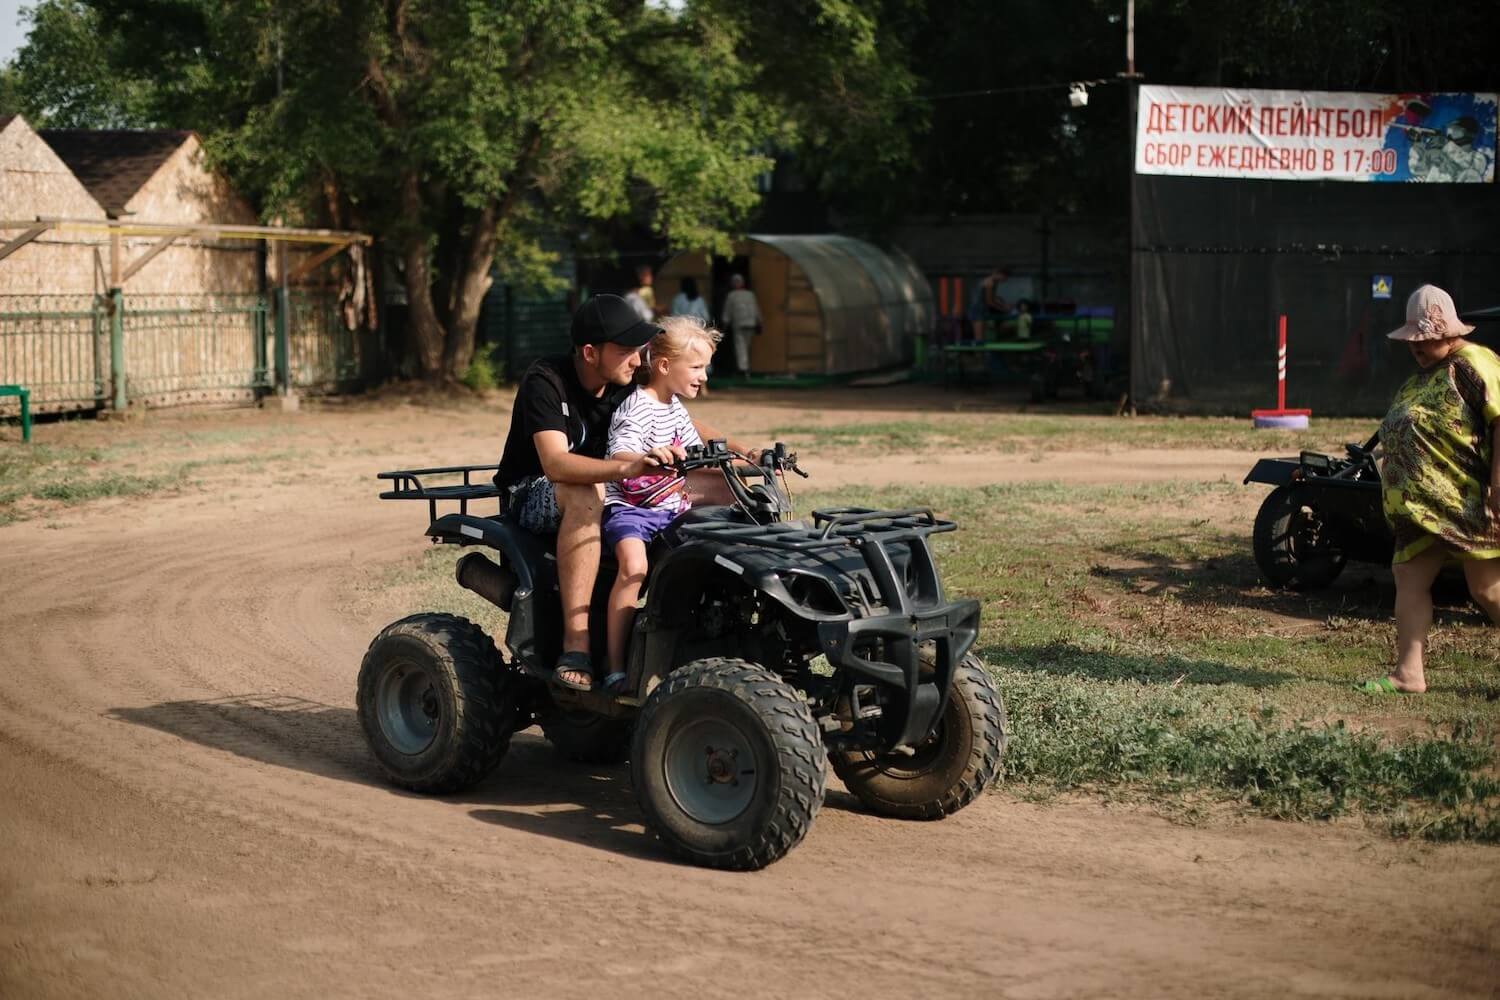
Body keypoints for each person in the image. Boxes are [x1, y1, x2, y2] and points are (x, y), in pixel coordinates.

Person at [493, 294, 676, 690]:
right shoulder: (546, 380)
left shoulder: (625, 385)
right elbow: (556, 464)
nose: (637, 359)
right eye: (626, 350)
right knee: (586, 491)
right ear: (591, 352)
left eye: (640, 349)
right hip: (529, 493)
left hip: (599, 488)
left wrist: (739, 450)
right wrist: (628, 466)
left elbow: (676, 419)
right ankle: (575, 645)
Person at [598, 317, 758, 692]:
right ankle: (615, 665)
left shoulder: (675, 409)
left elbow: (701, 456)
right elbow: (620, 454)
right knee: (634, 568)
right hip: (631, 510)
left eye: (706, 368)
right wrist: (646, 455)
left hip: (672, 506)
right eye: (697, 367)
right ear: (665, 366)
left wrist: (749, 460)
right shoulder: (636, 407)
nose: (704, 376)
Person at [1358, 284, 1500, 694]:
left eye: (1428, 338)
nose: (1418, 347)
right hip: (1421, 509)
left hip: (1464, 501)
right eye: (1414, 340)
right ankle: (1409, 673)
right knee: (1408, 575)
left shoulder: (1473, 362)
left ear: (1450, 332)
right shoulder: (1421, 377)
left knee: (1487, 587)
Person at [721, 273, 762, 377]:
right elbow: (756, 309)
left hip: (739, 324)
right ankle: (745, 368)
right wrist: (759, 321)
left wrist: (725, 325)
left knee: (740, 347)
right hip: (750, 323)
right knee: (746, 346)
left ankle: (743, 370)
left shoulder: (732, 295)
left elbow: (727, 311)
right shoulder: (750, 294)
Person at [968, 266, 1009, 340]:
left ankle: (982, 351)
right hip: (977, 309)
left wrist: (1004, 305)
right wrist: (1002, 309)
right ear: (1000, 274)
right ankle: (979, 351)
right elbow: (989, 301)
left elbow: (993, 298)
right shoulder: (989, 282)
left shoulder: (995, 282)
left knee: (982, 337)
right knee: (979, 338)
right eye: (1004, 278)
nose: (1004, 280)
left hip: (982, 308)